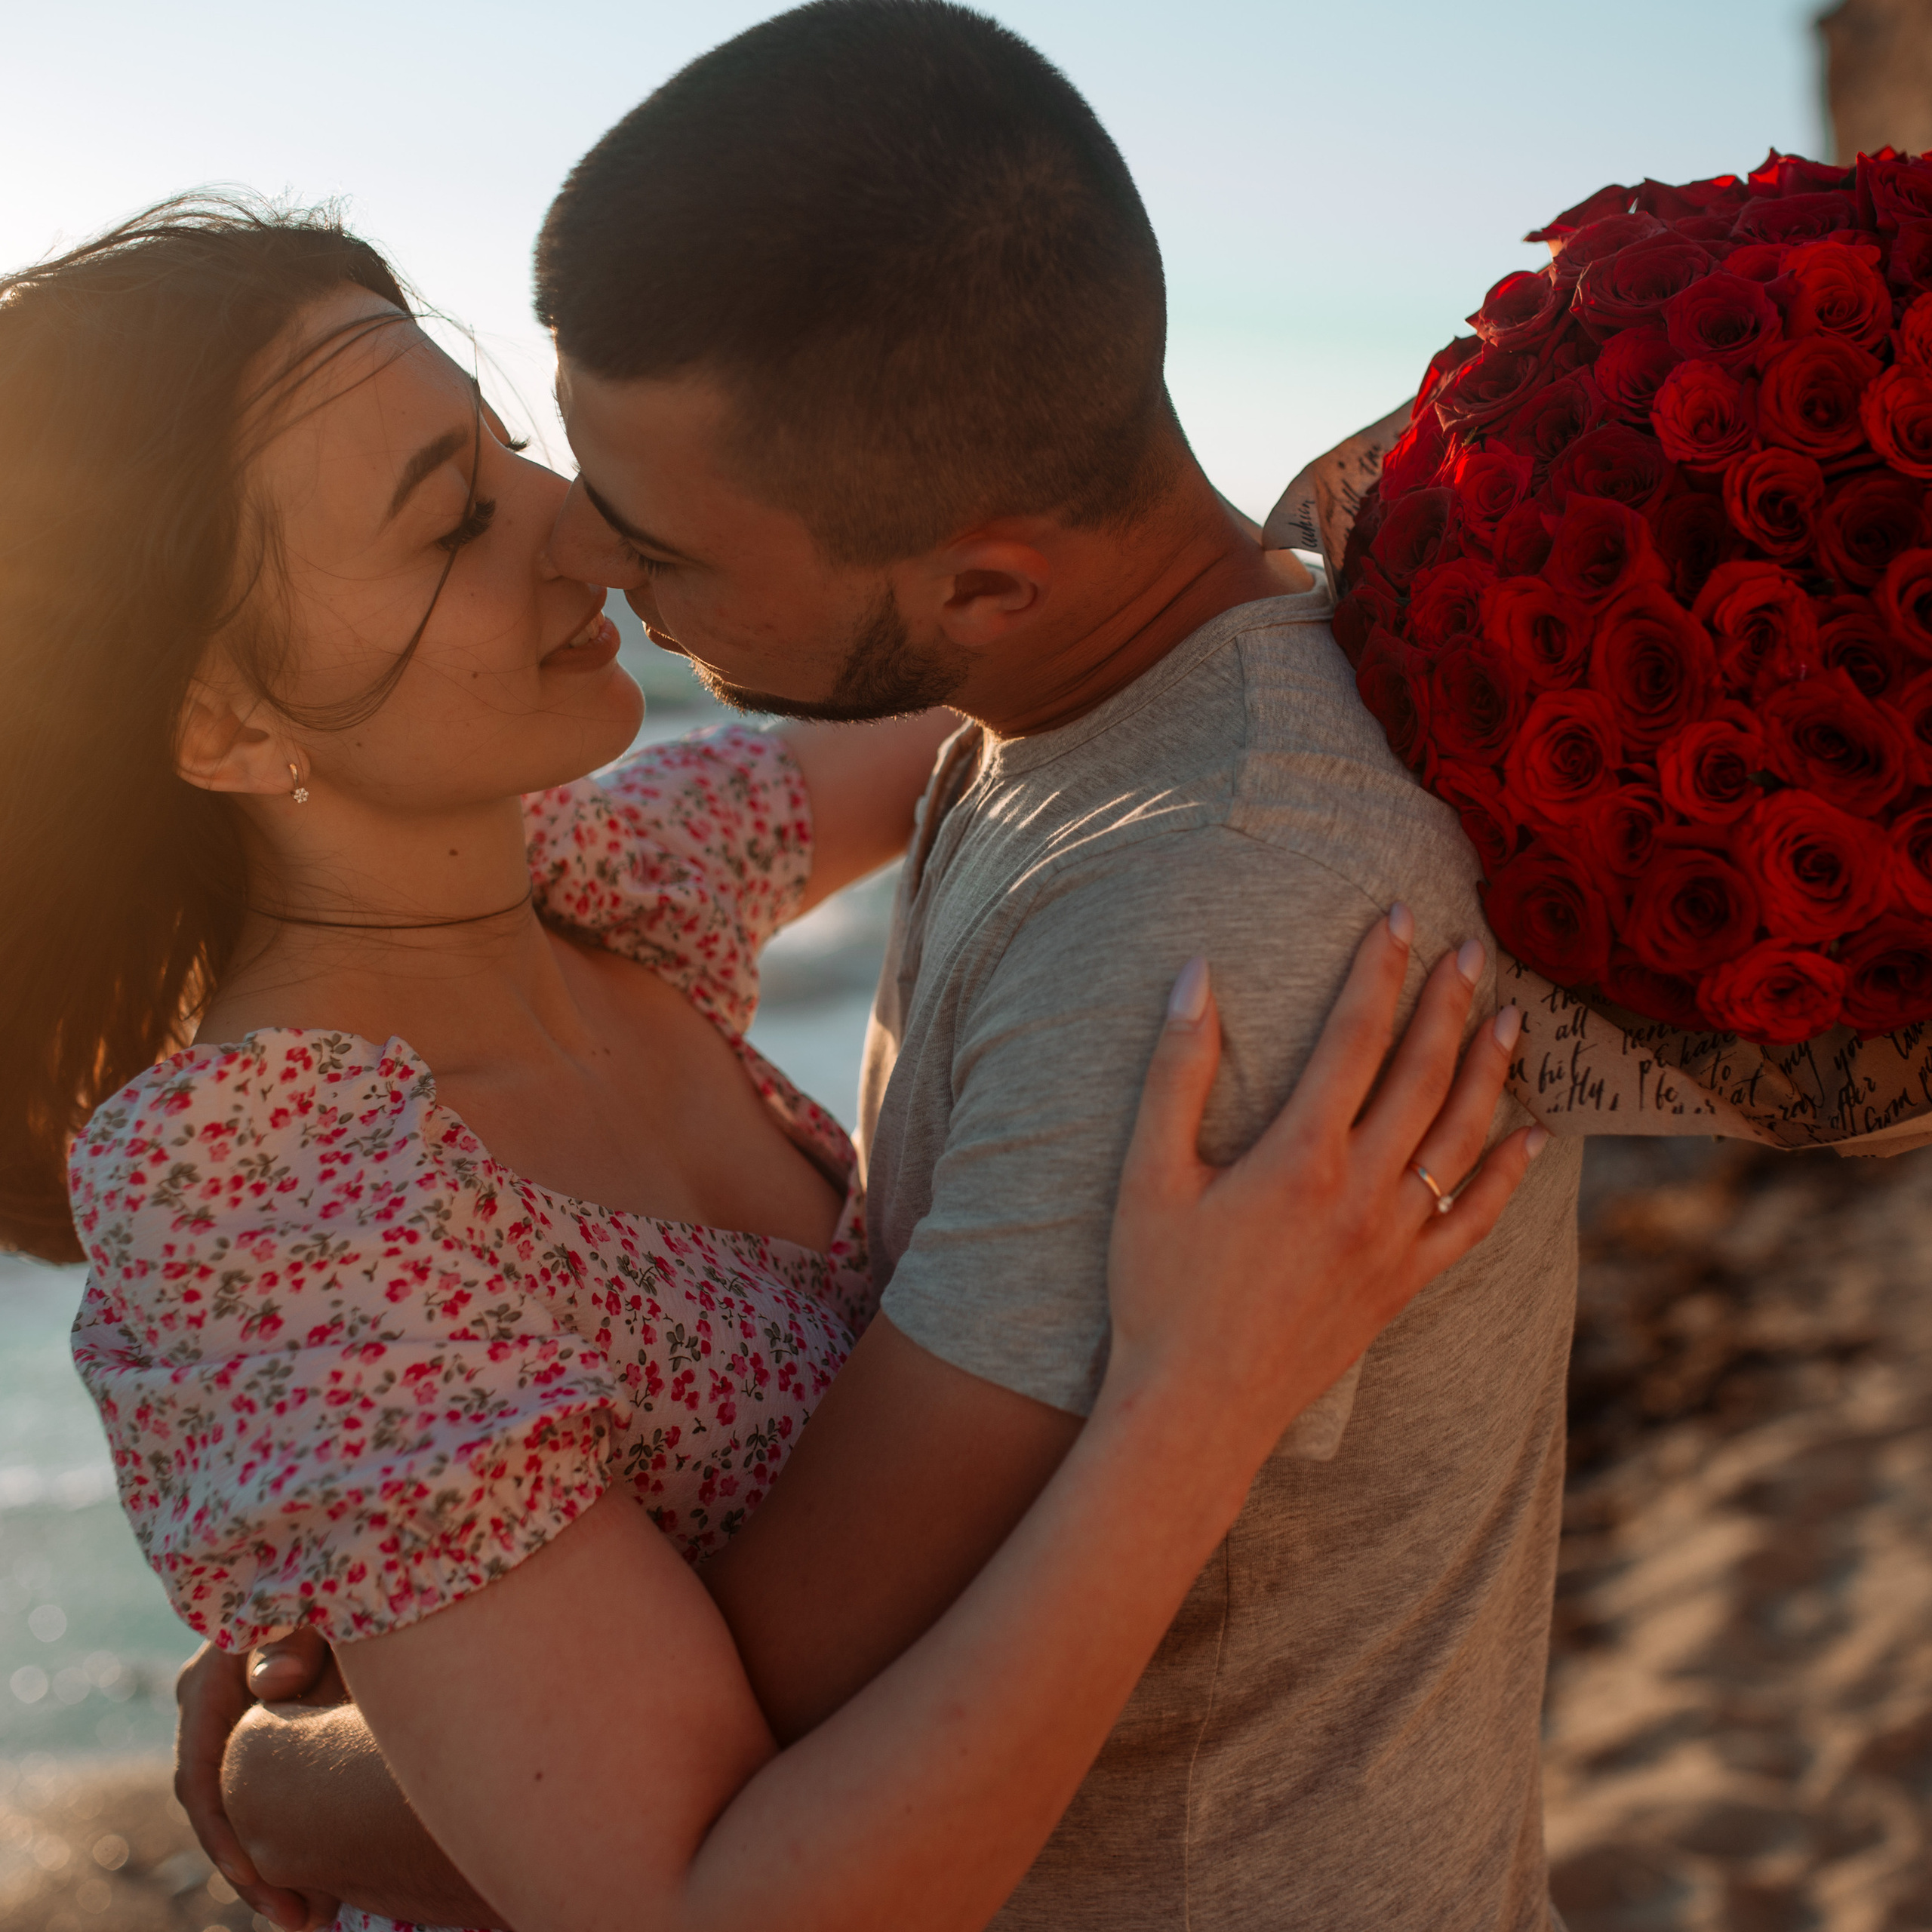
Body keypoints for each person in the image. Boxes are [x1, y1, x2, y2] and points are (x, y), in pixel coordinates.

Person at [181, 5, 1586, 1927]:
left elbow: (741, 1734)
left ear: (983, 581)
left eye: (658, 537)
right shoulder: (1061, 706)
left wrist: (303, 1770)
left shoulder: (1190, 932)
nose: (590, 552)